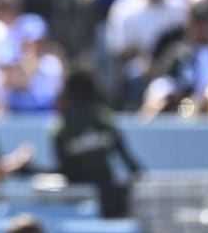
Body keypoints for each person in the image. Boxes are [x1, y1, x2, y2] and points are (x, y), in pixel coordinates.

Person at [53, 69, 142, 218]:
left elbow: (63, 172)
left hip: (79, 206)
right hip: (108, 200)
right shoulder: (105, 120)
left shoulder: (61, 130)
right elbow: (130, 164)